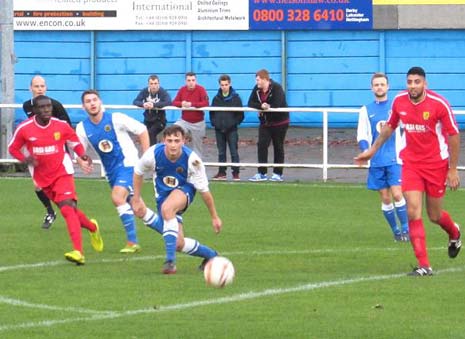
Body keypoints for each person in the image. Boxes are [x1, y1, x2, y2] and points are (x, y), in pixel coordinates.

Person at [355, 66, 461, 276]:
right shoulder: (399, 101)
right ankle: (424, 266)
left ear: (425, 84)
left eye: (417, 82)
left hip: (436, 165)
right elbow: (389, 127)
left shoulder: (439, 104)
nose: (413, 86)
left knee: (435, 215)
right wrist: (372, 150)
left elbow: (454, 135)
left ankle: (455, 233)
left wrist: (453, 169)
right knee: (413, 211)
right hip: (411, 163)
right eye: (410, 82)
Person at [9, 95, 103, 265]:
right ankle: (92, 227)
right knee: (70, 210)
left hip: (62, 171)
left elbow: (74, 141)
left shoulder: (61, 125)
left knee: (67, 208)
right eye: (42, 107)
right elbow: (13, 148)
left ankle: (78, 252)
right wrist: (25, 159)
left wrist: (82, 154)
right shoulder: (25, 128)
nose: (46, 110)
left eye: (49, 107)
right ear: (35, 110)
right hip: (42, 177)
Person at [132, 125, 221, 274]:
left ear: (183, 142)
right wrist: (136, 198)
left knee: (167, 209)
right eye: (170, 140)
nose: (173, 144)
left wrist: (214, 216)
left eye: (177, 140)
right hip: (162, 196)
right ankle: (211, 256)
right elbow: (137, 172)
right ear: (164, 141)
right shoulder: (152, 154)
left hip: (185, 189)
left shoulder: (193, 160)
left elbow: (204, 191)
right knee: (178, 243)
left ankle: (170, 262)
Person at [77, 89, 157, 253]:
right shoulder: (82, 128)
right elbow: (80, 152)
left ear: (100, 102)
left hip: (129, 165)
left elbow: (141, 130)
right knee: (139, 209)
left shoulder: (116, 118)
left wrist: (146, 156)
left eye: (94, 100)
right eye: (88, 101)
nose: (92, 103)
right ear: (83, 106)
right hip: (111, 173)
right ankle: (172, 233)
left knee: (117, 197)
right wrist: (82, 161)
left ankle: (132, 242)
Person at [357, 73, 409, 242]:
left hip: (395, 159)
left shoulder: (397, 108)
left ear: (388, 87)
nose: (379, 87)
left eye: (382, 84)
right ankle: (396, 232)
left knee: (397, 194)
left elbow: (406, 129)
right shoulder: (366, 110)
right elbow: (362, 135)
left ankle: (407, 230)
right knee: (385, 197)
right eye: (376, 84)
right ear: (372, 88)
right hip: (376, 161)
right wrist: (366, 152)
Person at [22, 75, 72, 229]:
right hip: (39, 154)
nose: (39, 89)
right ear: (30, 88)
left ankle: (72, 213)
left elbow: (68, 126)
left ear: (46, 88)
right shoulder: (26, 106)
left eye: (42, 86)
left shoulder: (55, 105)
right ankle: (50, 212)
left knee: (60, 188)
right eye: (36, 86)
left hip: (57, 153)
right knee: (37, 185)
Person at [247, 69, 289, 182]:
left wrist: (268, 107)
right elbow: (250, 103)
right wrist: (262, 106)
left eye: (258, 80)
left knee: (278, 146)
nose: (257, 82)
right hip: (265, 123)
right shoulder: (256, 89)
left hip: (280, 122)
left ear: (265, 79)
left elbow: (277, 104)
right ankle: (261, 173)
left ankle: (277, 173)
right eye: (256, 80)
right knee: (261, 145)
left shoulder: (277, 88)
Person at [209, 74, 244, 181]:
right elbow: (212, 113)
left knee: (234, 151)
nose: (224, 86)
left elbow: (240, 115)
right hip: (219, 130)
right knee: (221, 152)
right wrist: (215, 124)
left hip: (232, 130)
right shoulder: (216, 99)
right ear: (219, 85)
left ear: (230, 84)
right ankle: (222, 172)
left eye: (226, 84)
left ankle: (236, 173)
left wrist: (234, 123)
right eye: (222, 85)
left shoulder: (236, 98)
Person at [172, 72, 209, 157]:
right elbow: (174, 102)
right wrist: (182, 103)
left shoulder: (201, 89)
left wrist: (192, 104)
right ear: (186, 81)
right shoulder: (182, 89)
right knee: (174, 131)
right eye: (189, 80)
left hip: (198, 122)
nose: (191, 82)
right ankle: (178, 157)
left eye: (193, 80)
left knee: (197, 148)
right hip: (184, 121)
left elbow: (206, 103)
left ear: (196, 80)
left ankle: (196, 166)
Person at [132, 74, 172, 145]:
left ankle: (152, 152)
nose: (153, 86)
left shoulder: (162, 91)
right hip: (147, 120)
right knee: (145, 134)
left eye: (155, 83)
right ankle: (149, 151)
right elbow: (135, 101)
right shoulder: (144, 91)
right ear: (148, 84)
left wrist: (154, 105)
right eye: (151, 84)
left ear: (158, 84)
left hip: (160, 120)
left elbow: (168, 102)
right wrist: (143, 104)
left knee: (151, 134)